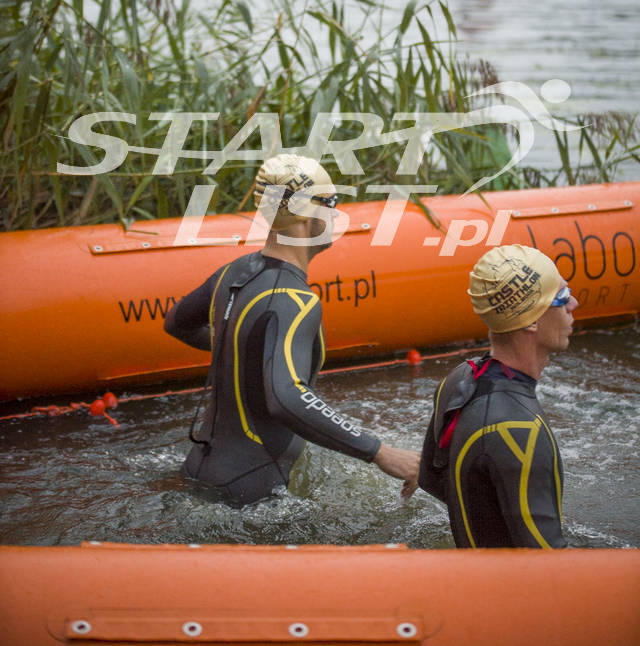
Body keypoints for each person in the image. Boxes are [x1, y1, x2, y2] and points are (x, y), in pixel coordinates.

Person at [164, 153, 420, 506]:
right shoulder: (294, 300)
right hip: (253, 490)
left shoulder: (233, 272)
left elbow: (176, 323)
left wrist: (248, 353)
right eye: (331, 203)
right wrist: (380, 452)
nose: (337, 214)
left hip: (198, 469)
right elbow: (287, 398)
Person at [416, 243, 577, 548]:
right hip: (512, 594)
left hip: (478, 581)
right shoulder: (520, 431)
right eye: (563, 298)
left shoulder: (459, 379)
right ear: (530, 320)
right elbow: (552, 569)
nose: (574, 305)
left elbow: (430, 479)